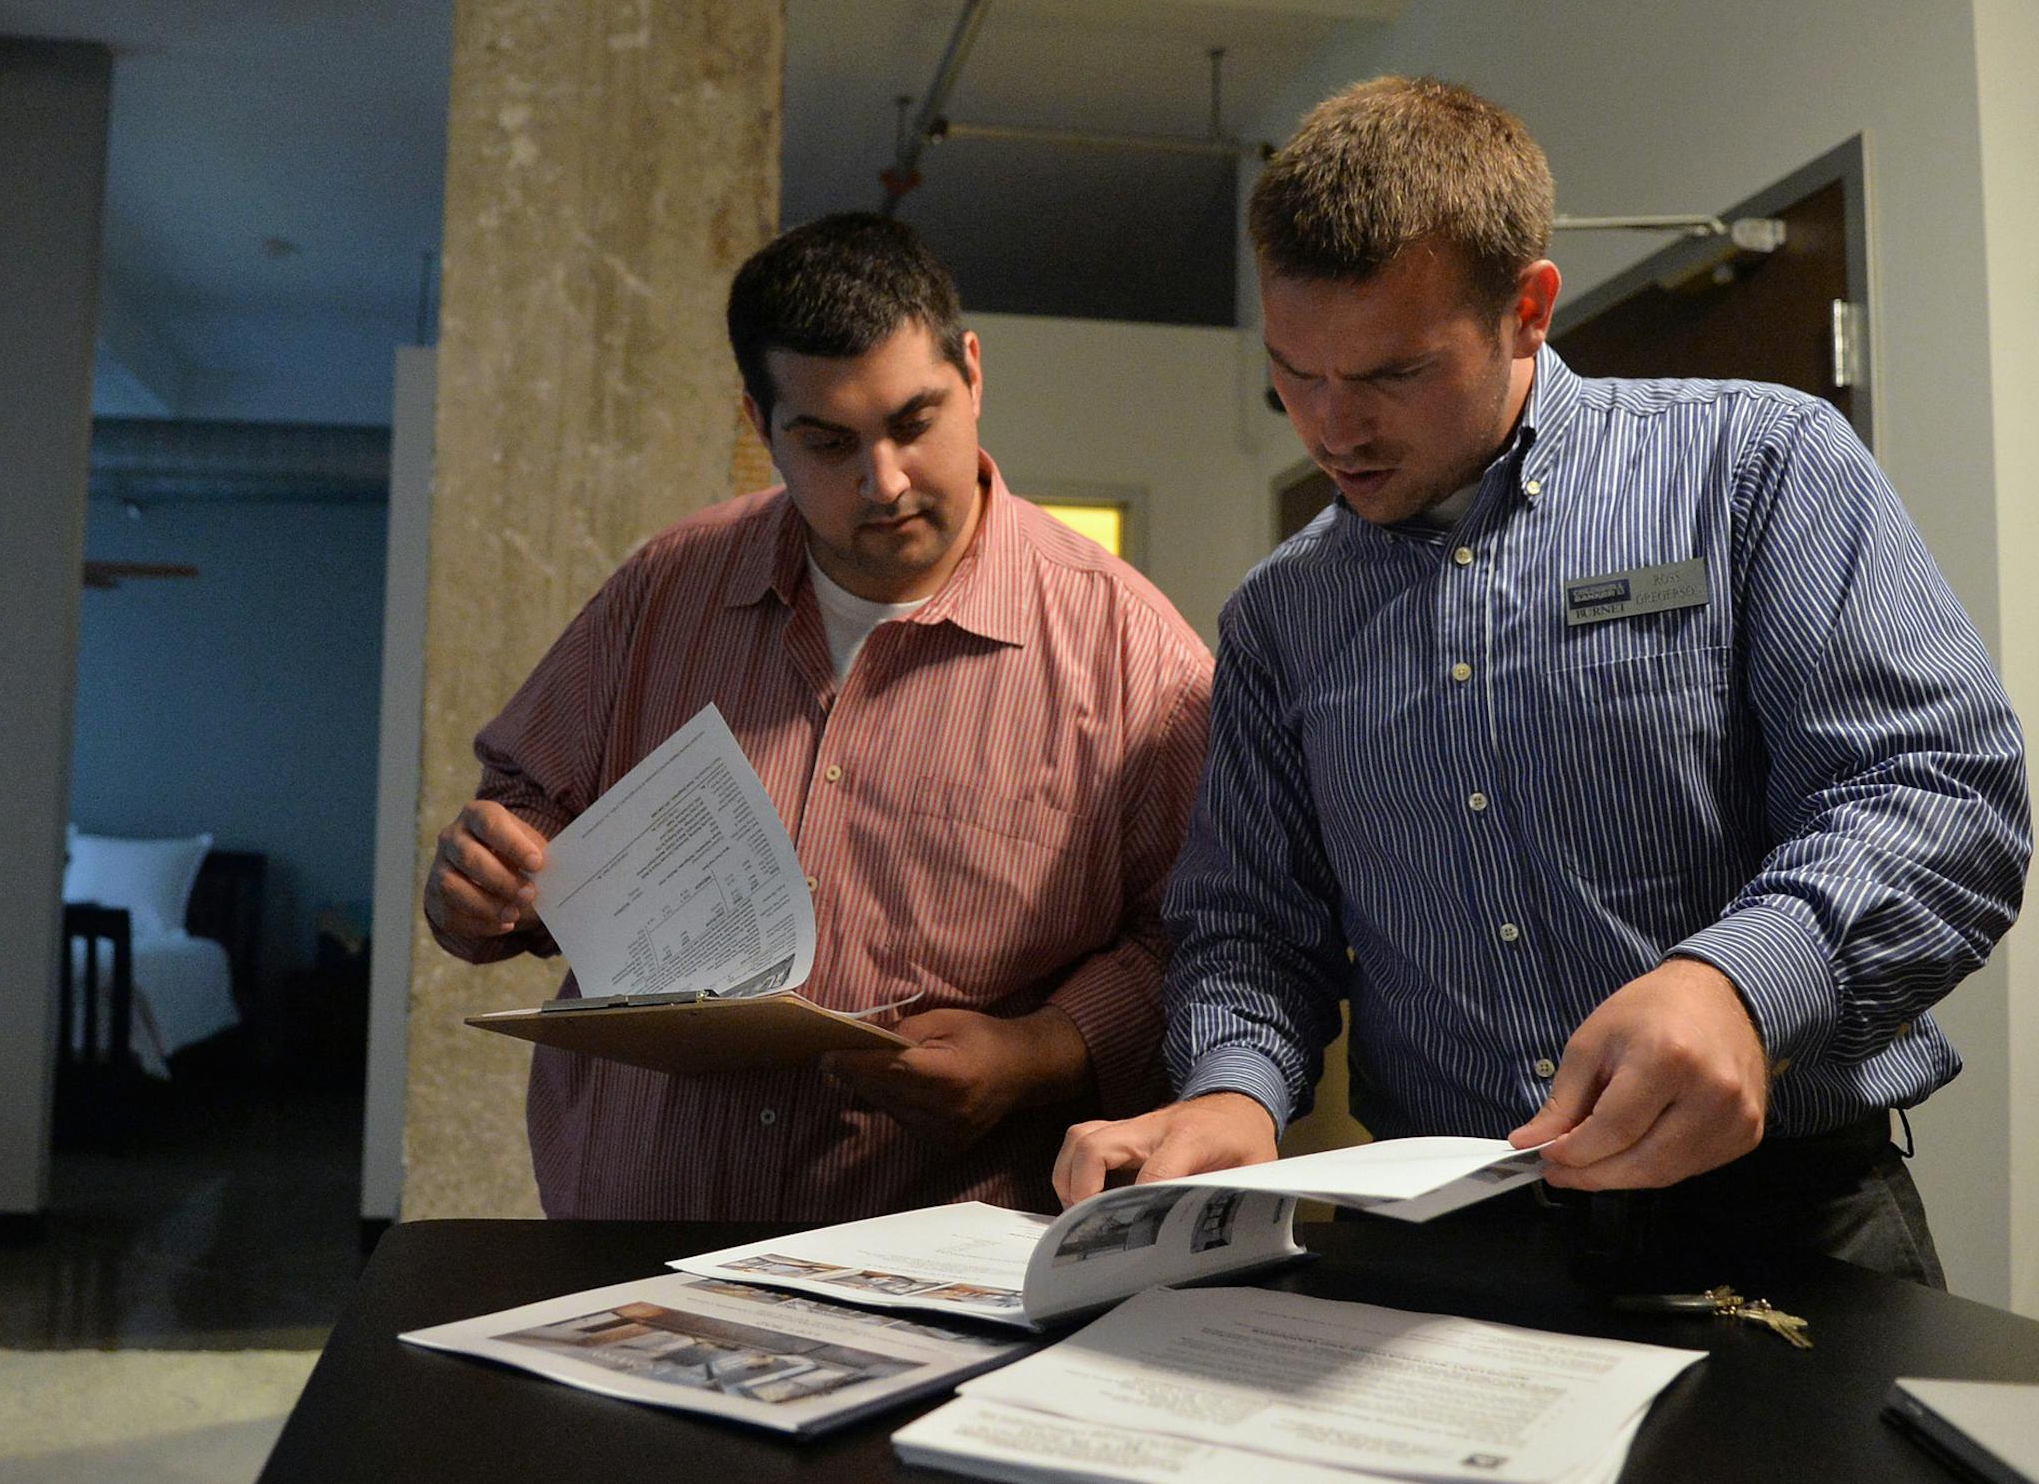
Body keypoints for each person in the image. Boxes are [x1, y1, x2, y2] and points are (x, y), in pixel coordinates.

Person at [1053, 77, 2029, 1285]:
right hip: (1454, 1231)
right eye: (1294, 373)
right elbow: (1256, 921)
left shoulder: (1757, 465)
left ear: (1528, 307)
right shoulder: (1280, 617)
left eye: (1393, 373)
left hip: (1790, 1213)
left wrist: (1739, 980)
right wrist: (1234, 1090)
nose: (1330, 428)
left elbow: (1940, 789)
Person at [425, 212, 1213, 1222]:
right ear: (761, 426)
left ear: (971, 371)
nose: (882, 482)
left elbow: (1199, 939)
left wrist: (1039, 1051)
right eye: (828, 441)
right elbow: (516, 822)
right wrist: (481, 884)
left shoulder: (1133, 652)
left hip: (936, 1259)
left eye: (914, 421)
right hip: (633, 1236)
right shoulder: (664, 589)